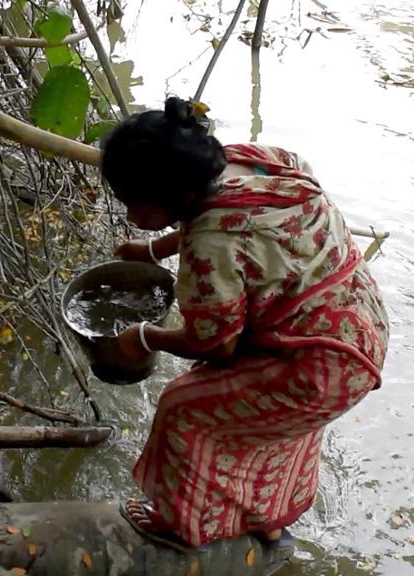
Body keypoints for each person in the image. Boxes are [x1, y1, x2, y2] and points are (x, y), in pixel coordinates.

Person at [100, 97, 390, 551]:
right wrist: (152, 250)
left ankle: (181, 529)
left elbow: (215, 343)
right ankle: (270, 526)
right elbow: (227, 215)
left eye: (134, 205)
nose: (131, 217)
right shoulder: (250, 160)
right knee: (271, 427)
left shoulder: (209, 241)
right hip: (358, 324)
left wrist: (142, 336)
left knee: (184, 406)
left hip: (322, 364)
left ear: (175, 197)